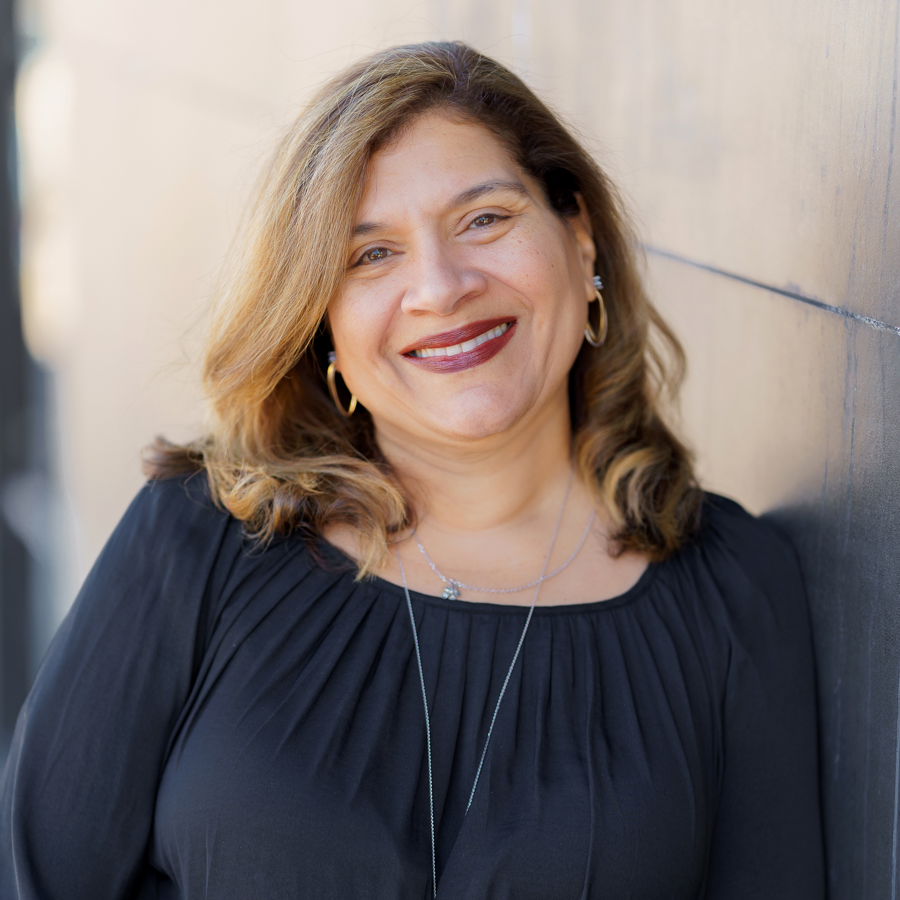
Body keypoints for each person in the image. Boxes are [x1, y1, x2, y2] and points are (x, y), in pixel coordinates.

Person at [0, 41, 824, 899]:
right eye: (371, 256)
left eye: (484, 219)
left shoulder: (735, 589)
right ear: (321, 323)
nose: (441, 286)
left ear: (580, 241)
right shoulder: (199, 538)